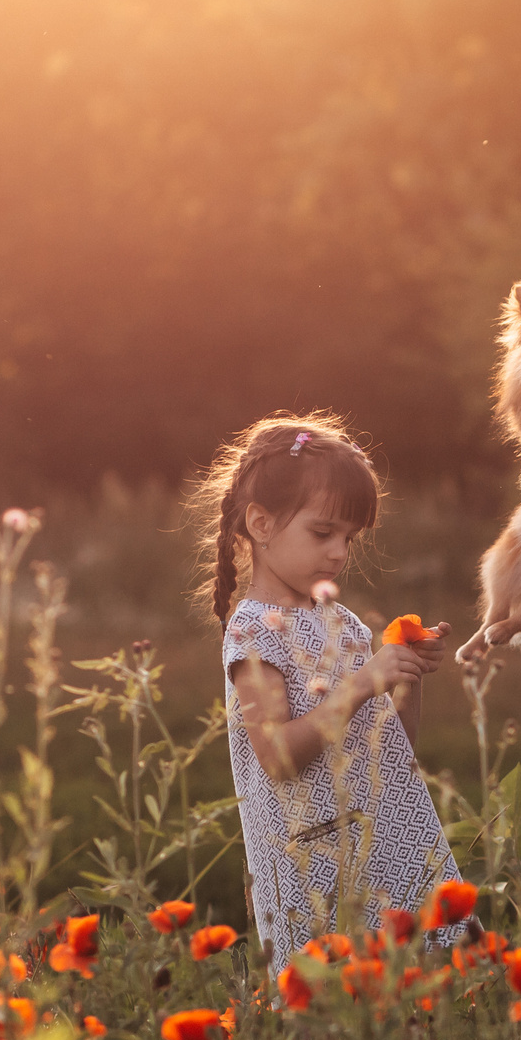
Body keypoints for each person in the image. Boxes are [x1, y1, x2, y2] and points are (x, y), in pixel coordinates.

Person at [189, 412, 463, 970]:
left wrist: (403, 673)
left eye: (349, 537)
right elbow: (277, 757)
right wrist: (364, 682)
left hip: (390, 850)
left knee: (420, 1021)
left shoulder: (345, 624)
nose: (339, 551)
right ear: (260, 525)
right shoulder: (253, 632)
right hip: (317, 870)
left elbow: (394, 747)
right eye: (322, 533)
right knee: (338, 1029)